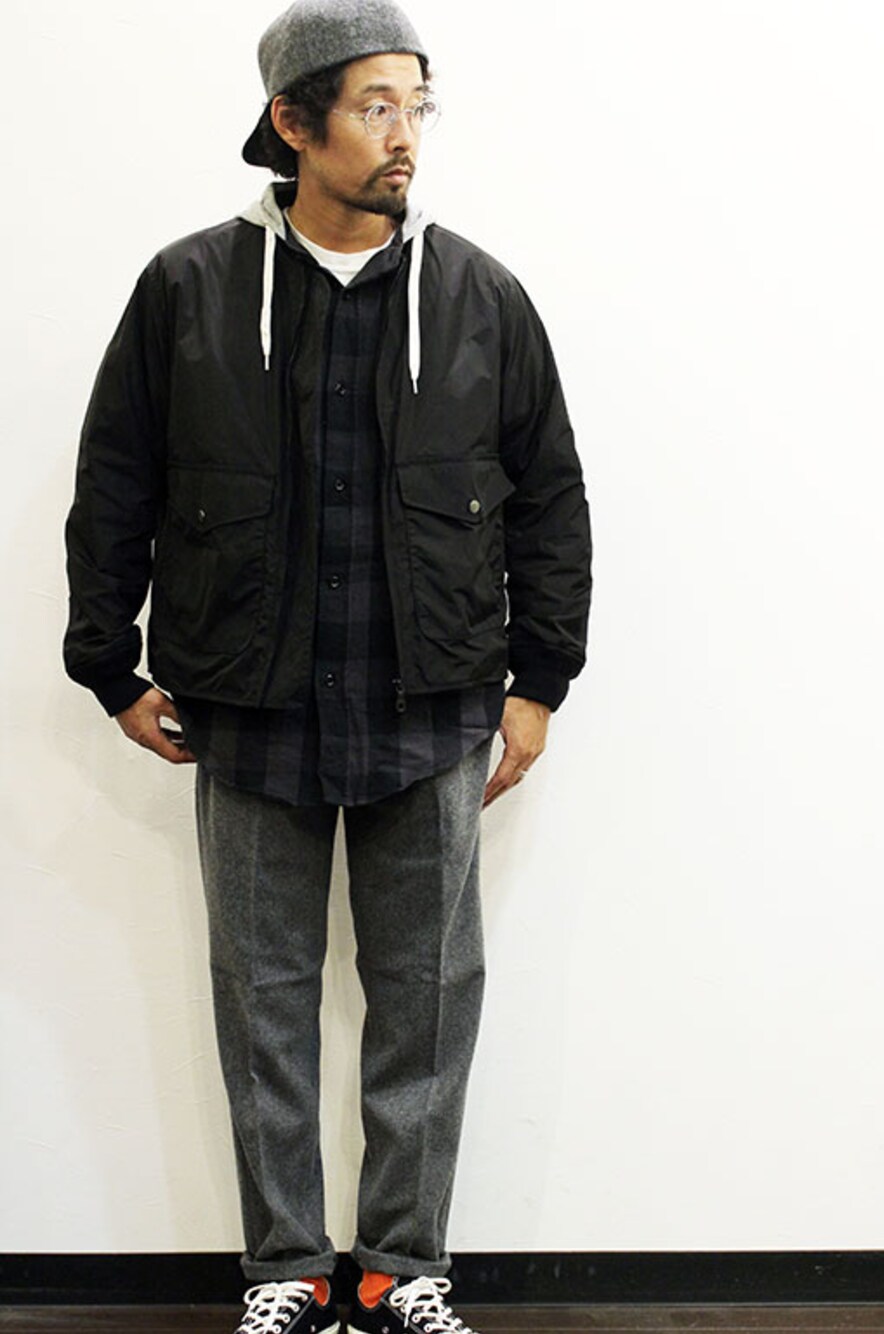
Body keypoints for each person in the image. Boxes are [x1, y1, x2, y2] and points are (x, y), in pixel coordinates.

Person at [63, 0, 591, 1330]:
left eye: (419, 103)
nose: (406, 133)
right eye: (375, 105)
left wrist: (538, 682)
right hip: (249, 712)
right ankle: (287, 1270)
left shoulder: (478, 296)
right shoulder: (188, 289)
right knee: (263, 1005)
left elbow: (550, 496)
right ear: (292, 123)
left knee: (429, 1001)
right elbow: (115, 481)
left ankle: (404, 1268)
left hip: (434, 708)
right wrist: (108, 666)